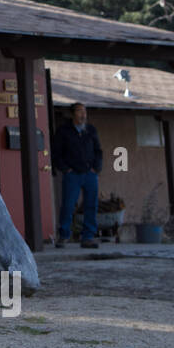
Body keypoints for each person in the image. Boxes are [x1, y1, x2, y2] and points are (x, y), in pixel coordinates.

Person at [52, 102, 103, 248]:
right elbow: (56, 153)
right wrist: (65, 169)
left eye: (85, 112)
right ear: (72, 114)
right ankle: (64, 235)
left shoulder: (91, 130)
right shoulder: (63, 131)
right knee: (68, 205)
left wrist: (96, 168)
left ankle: (88, 237)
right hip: (72, 174)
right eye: (80, 112)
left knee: (91, 205)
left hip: (90, 174)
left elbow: (98, 150)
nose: (83, 115)